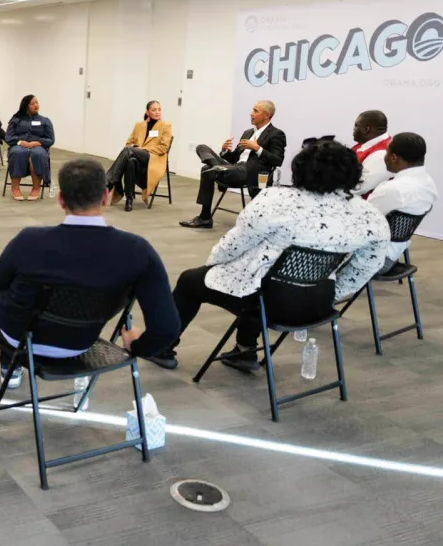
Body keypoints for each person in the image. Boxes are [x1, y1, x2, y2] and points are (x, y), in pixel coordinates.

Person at [158, 139, 391, 372]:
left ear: (300, 169)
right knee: (262, 280)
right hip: (319, 303)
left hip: (269, 300)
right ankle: (244, 350)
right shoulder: (369, 216)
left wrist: (211, 268)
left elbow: (235, 244)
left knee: (192, 280)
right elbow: (367, 266)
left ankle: (161, 346)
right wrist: (335, 292)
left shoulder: (276, 200)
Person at [0, 158, 180, 388]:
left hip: (18, 339)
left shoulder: (28, 240)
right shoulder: (138, 251)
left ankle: (8, 361)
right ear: (106, 196)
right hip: (79, 342)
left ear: (61, 200)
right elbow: (167, 327)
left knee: (2, 290)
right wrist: (139, 347)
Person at [180, 100, 286, 229]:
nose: (251, 114)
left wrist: (257, 148)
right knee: (202, 148)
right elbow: (235, 157)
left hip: (250, 172)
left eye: (255, 111)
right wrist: (225, 151)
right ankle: (217, 168)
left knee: (206, 169)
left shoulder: (276, 134)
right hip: (234, 167)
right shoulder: (248, 133)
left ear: (267, 115)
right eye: (252, 110)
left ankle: (204, 217)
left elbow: (277, 160)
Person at [366, 132, 437, 269]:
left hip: (375, 259)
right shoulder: (428, 183)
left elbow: (361, 222)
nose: (384, 158)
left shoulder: (393, 190)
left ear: (393, 157)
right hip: (395, 252)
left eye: (386, 153)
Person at [105, 100, 174, 212]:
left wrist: (141, 149)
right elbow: (129, 143)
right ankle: (129, 199)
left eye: (159, 109)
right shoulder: (139, 126)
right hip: (137, 159)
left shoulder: (166, 126)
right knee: (130, 161)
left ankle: (109, 183)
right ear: (147, 112)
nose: (157, 112)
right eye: (154, 110)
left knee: (128, 151)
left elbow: (163, 148)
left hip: (153, 159)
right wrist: (135, 148)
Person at [6, 94, 54, 201]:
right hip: (19, 145)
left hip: (38, 146)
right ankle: (15, 188)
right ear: (26, 106)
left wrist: (37, 143)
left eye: (37, 103)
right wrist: (20, 142)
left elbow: (51, 139)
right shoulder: (16, 119)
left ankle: (36, 188)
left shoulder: (45, 120)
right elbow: (8, 137)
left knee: (37, 154)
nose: (36, 105)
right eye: (33, 103)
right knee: (17, 152)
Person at [352, 110, 392, 197]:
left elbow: (358, 187)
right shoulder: (365, 144)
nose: (353, 129)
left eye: (356, 125)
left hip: (367, 207)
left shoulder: (382, 155)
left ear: (366, 129)